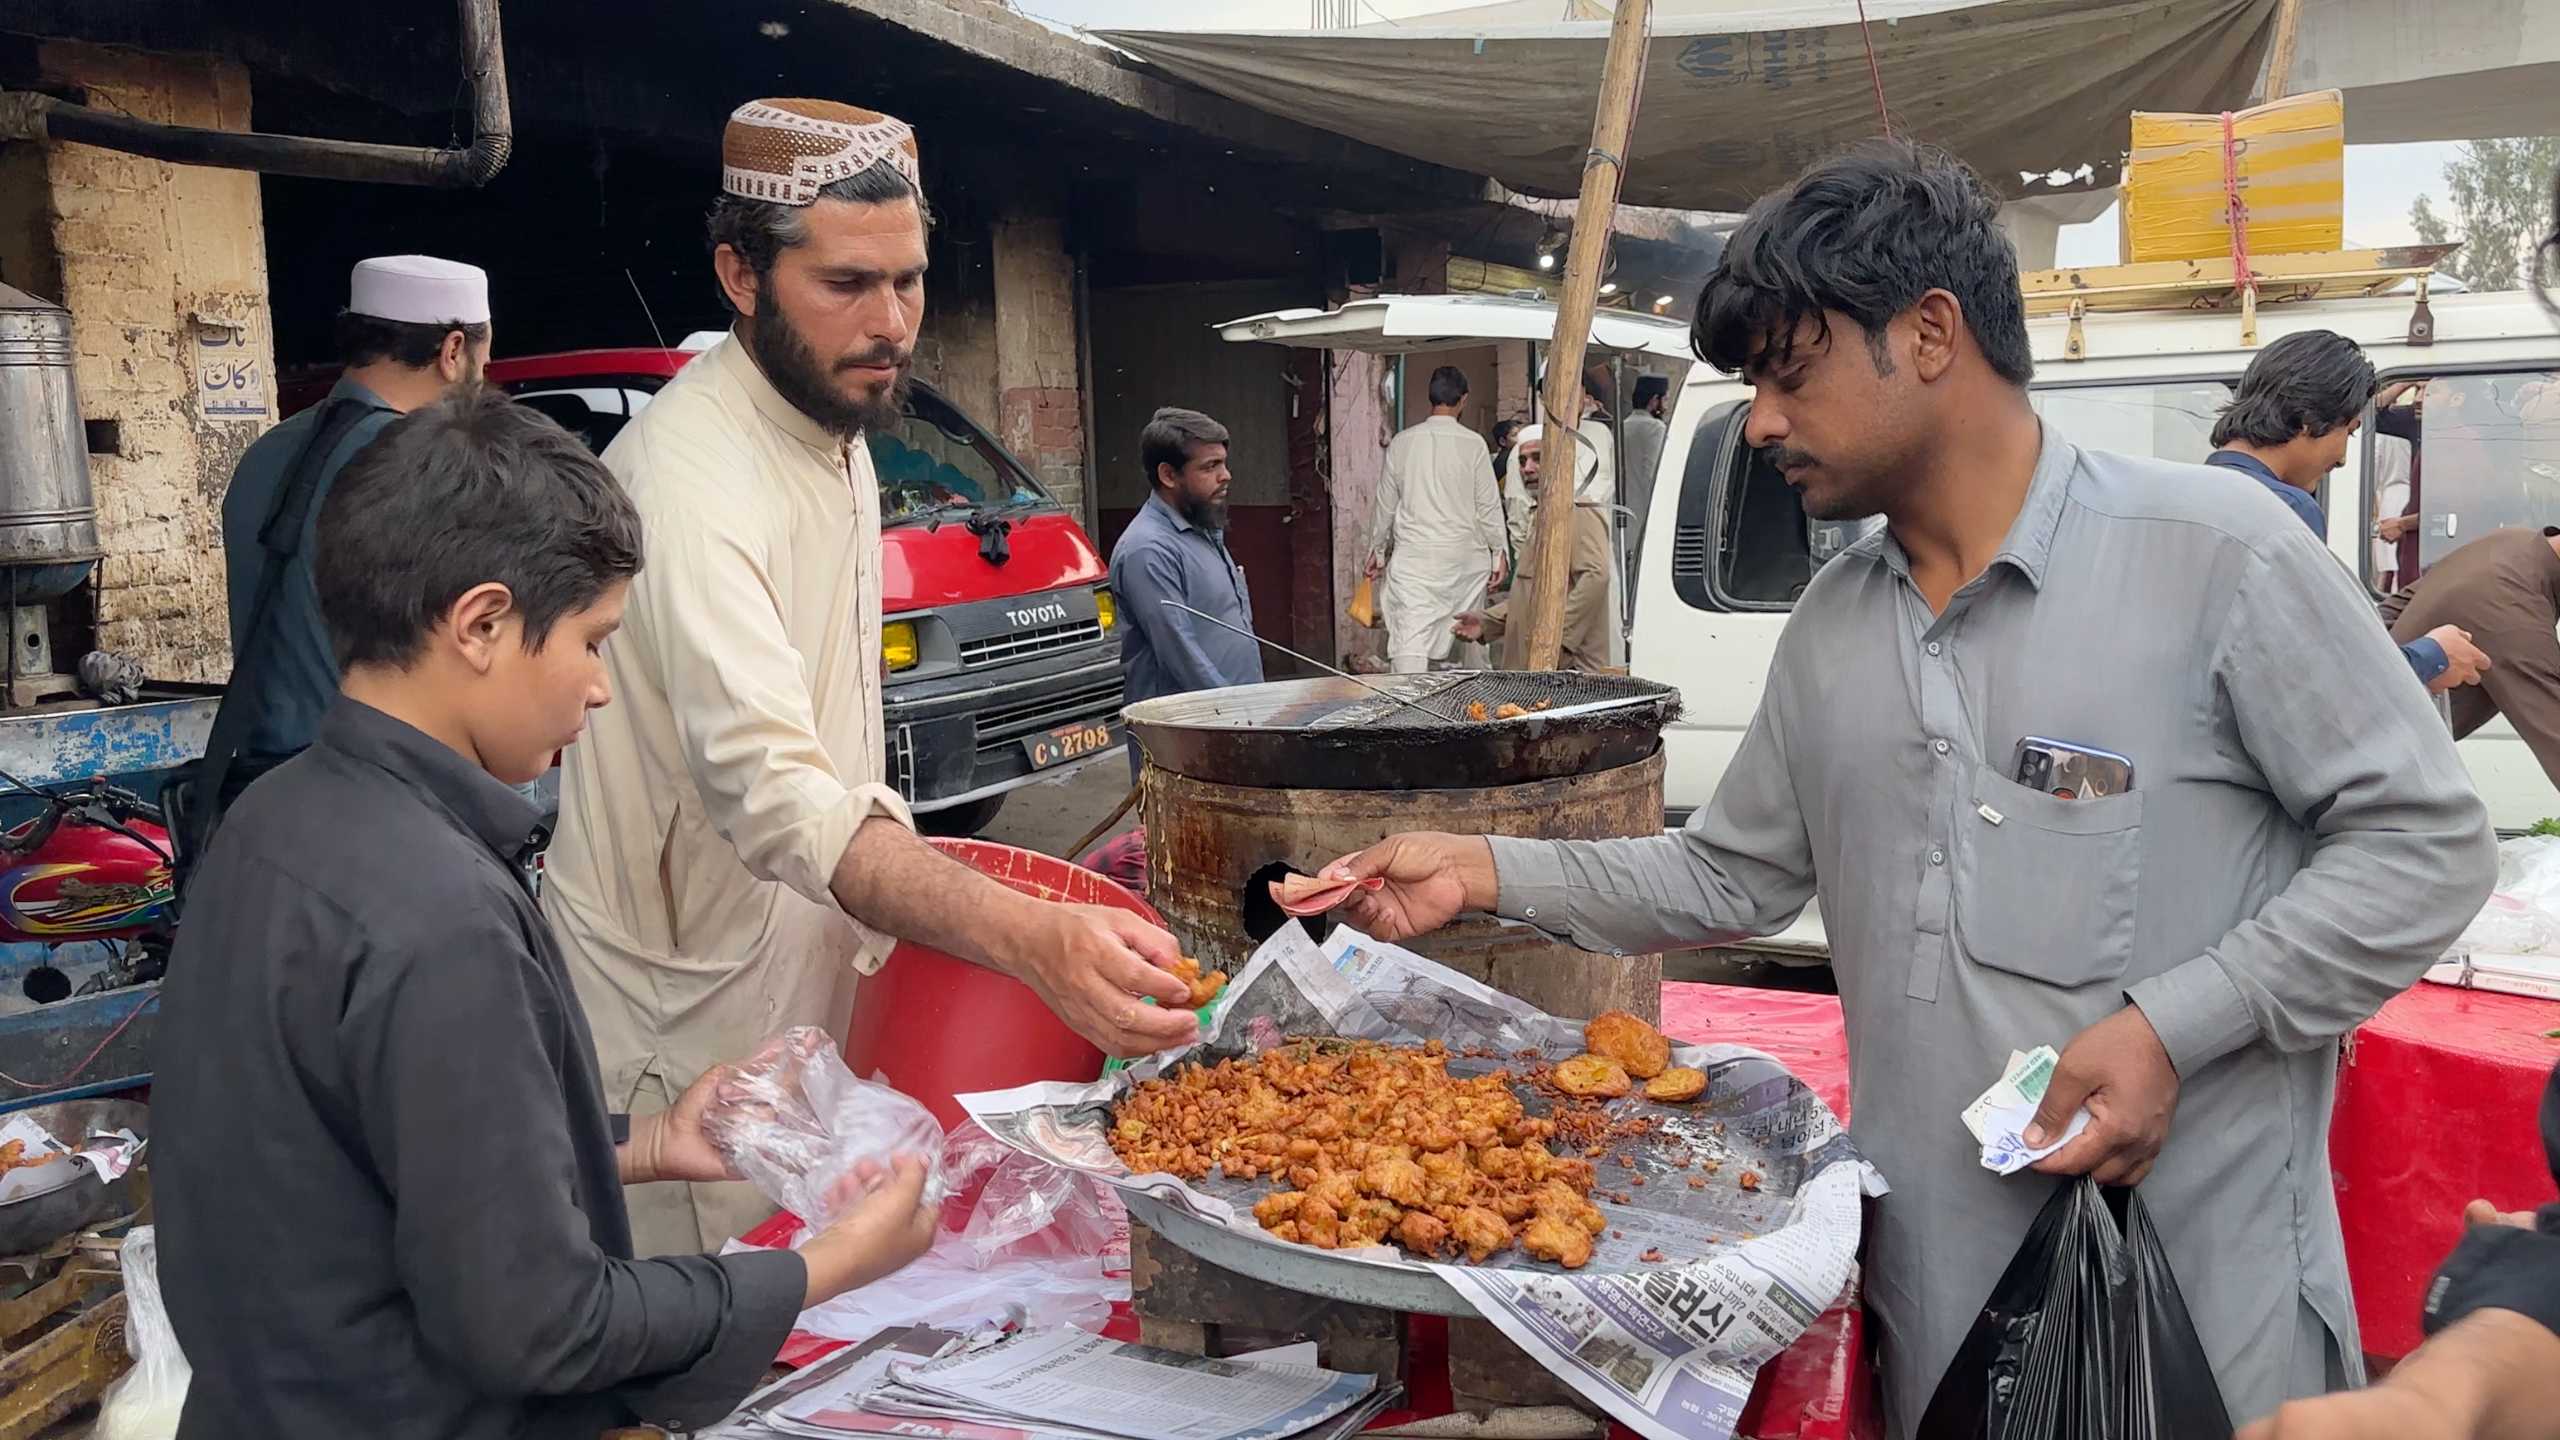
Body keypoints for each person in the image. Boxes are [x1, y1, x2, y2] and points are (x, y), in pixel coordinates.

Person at [1318, 139, 2496, 1436]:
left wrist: (2174, 1028)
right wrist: (1485, 870)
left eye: (1791, 368)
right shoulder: (1832, 628)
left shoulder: (2220, 561)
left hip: (2195, 1320)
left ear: (1930, 334)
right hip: (1935, 1314)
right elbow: (1739, 871)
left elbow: (2427, 846)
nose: (1762, 420)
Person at [152, 387, 942, 1440]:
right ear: (480, 624)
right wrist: (822, 1266)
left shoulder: (274, 824)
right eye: (591, 641)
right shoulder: (438, 916)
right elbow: (537, 1326)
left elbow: (370, 1153)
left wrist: (650, 1141)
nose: (601, 688)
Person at [544, 99, 1198, 1256]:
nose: (889, 323)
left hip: (795, 982)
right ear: (740, 274)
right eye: (846, 284)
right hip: (676, 1023)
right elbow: (782, 796)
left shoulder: (833, 427)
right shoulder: (688, 484)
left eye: (908, 281)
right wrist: (1029, 938)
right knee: (698, 1358)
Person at [2235, 161, 2560, 1440]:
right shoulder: (2265, 521)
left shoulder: (2236, 508)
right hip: (2272, 880)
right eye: (2349, 432)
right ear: (2323, 427)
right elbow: (2322, 692)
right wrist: (2427, 663)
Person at [216, 255, 490, 784]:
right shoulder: (431, 465)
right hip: (387, 800)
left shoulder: (264, 455)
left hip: (266, 795)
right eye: (487, 356)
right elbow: (480, 658)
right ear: (453, 351)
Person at [2204, 329, 2487, 692]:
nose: (2342, 458)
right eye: (2349, 432)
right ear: (2307, 419)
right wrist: (2432, 656)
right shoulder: (2286, 508)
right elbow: (2316, 670)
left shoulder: (2190, 491)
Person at [1108, 405, 1264, 777]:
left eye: (1223, 463)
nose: (1226, 476)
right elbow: (1182, 656)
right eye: (1209, 467)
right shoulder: (1148, 549)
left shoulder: (1203, 528)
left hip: (1235, 727)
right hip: (1188, 746)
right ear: (1168, 474)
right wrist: (1239, 723)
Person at [2382, 527, 2560, 787]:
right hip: (2376, 773)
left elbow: (2376, 622)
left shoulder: (2508, 542)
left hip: (2351, 747)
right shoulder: (2512, 609)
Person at [1367, 366, 1506, 674]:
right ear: (1464, 400)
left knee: (1409, 641)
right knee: (1469, 633)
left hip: (1414, 562)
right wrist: (1499, 553)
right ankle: (1476, 709)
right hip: (1463, 560)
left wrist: (1376, 551)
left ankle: (1408, 712)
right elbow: (1488, 505)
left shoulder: (1402, 442)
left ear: (1431, 397)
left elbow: (1385, 504)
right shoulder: (1473, 444)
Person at [1453, 424, 1611, 671]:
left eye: (1538, 458)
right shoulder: (1542, 514)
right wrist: (1487, 622)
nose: (1528, 468)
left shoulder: (1578, 512)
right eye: (1523, 460)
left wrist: (1555, 639)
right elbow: (1533, 597)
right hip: (1536, 673)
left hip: (1568, 676)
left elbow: (1595, 578)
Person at [1621, 374, 1670, 566]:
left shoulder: (1622, 426)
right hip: (1645, 507)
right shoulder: (1654, 428)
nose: (1666, 405)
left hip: (1623, 507)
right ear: (1653, 400)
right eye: (1664, 399)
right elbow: (1654, 474)